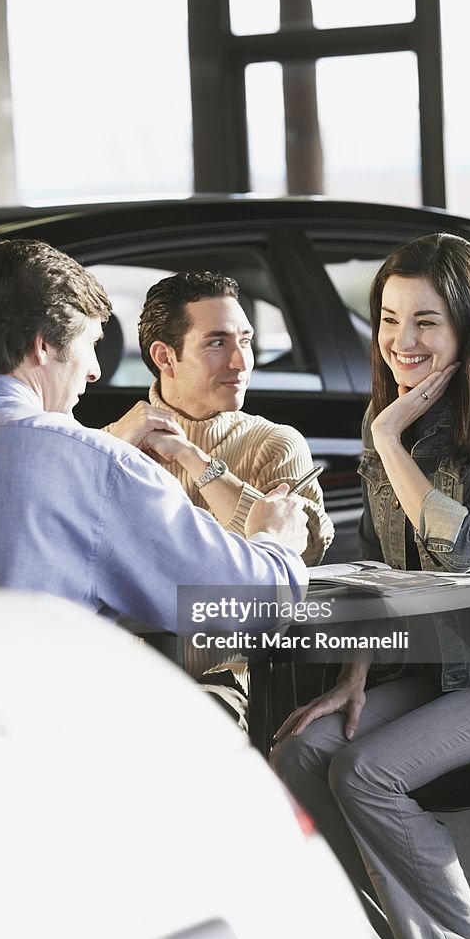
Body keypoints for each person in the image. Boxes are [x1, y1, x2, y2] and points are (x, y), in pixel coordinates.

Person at [270, 233, 470, 939]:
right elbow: (384, 567)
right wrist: (350, 679)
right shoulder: (400, 416)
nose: (400, 341)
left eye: (425, 321)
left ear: (469, 324)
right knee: (300, 749)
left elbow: (460, 545)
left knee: (365, 772)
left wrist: (385, 438)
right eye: (387, 319)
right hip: (438, 672)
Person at [0, 240, 310, 632]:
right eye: (91, 343)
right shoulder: (99, 465)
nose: (95, 370)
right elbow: (244, 603)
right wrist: (274, 540)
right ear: (42, 346)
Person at [106, 270, 334, 724]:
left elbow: (301, 556)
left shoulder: (275, 444)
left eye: (245, 340)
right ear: (164, 357)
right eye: (217, 343)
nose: (240, 362)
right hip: (119, 672)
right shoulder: (110, 445)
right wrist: (111, 450)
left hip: (234, 680)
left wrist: (194, 459)